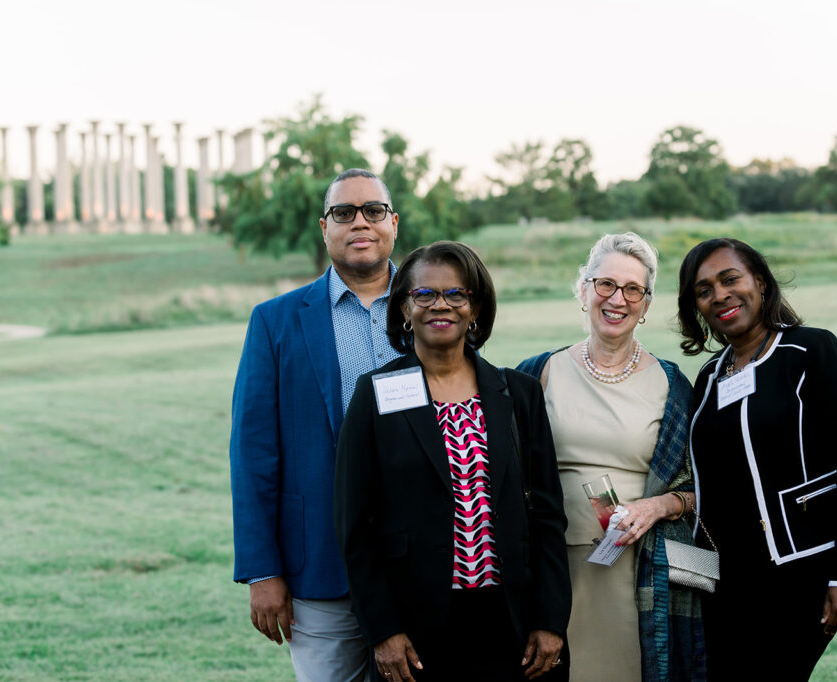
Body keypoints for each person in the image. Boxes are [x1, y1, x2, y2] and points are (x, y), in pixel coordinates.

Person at [334, 241, 571, 682]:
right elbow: (355, 528)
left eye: (455, 294)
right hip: (416, 626)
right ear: (404, 308)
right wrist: (383, 630)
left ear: (475, 307)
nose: (439, 305)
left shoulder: (518, 394)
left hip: (512, 619)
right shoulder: (374, 393)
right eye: (424, 294)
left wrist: (551, 619)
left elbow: (549, 516)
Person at [677, 238, 837, 680]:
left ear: (762, 284)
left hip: (803, 570)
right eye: (704, 290)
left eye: (730, 279)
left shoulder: (811, 351)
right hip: (726, 579)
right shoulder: (710, 376)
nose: (720, 295)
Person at [229, 168, 404, 682]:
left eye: (373, 210)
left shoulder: (434, 306)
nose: (360, 223)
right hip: (320, 567)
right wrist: (263, 571)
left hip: (422, 563)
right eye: (343, 213)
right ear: (323, 227)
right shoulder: (275, 321)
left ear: (393, 222)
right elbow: (253, 453)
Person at [517, 232, 705, 681]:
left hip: (636, 571)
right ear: (584, 291)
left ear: (645, 302)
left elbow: (705, 487)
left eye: (633, 289)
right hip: (549, 568)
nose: (617, 299)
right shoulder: (537, 373)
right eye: (605, 284)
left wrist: (656, 506)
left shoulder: (672, 385)